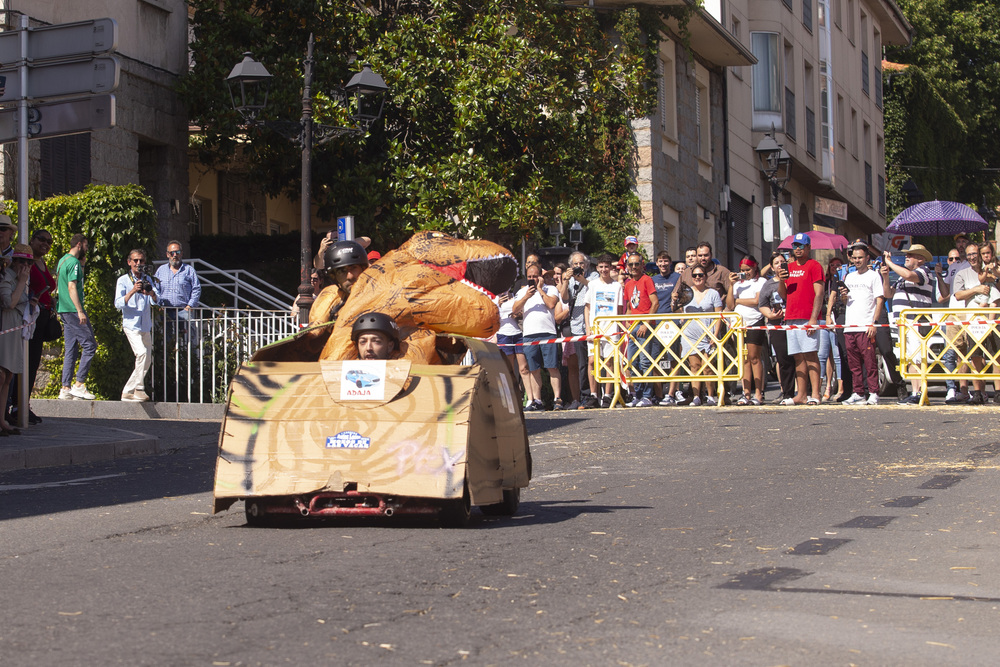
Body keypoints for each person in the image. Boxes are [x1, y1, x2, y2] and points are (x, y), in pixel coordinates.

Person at [882, 244, 939, 404]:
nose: (906, 257)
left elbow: (908, 275)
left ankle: (920, 391)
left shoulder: (924, 271)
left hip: (917, 320)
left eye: (911, 255)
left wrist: (891, 263)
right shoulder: (901, 277)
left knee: (918, 357)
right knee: (911, 357)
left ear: (920, 259)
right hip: (905, 323)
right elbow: (888, 293)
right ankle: (915, 391)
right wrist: (886, 276)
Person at [781, 233, 825, 406]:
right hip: (791, 316)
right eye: (795, 246)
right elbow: (783, 294)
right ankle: (801, 394)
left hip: (808, 317)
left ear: (808, 247)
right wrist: (780, 279)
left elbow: (819, 293)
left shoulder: (814, 265)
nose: (797, 249)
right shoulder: (789, 267)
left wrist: (813, 318)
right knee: (798, 357)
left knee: (811, 355)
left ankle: (815, 394)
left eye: (801, 245)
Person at [512, 262, 562, 411]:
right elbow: (515, 309)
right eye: (529, 277)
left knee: (552, 366)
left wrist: (539, 289)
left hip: (547, 332)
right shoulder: (522, 292)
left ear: (540, 276)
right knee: (533, 369)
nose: (532, 279)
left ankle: (557, 398)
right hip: (529, 334)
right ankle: (536, 400)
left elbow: (552, 304)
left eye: (535, 276)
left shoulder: (550, 288)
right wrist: (526, 296)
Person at [952, 242, 997, 404]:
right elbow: (958, 295)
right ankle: (978, 392)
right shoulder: (962, 274)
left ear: (982, 254)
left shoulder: (992, 269)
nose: (971, 257)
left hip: (993, 320)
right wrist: (976, 290)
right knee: (976, 357)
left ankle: (997, 392)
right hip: (973, 322)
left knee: (996, 357)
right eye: (969, 254)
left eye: (974, 254)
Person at [840, 244, 884, 405]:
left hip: (866, 325)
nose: (857, 260)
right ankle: (858, 392)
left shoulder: (873, 276)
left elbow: (879, 300)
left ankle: (873, 392)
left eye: (860, 257)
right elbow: (845, 301)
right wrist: (843, 296)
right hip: (850, 325)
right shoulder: (849, 277)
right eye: (854, 258)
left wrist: (874, 323)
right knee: (853, 363)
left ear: (867, 258)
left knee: (870, 361)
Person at [115, 249, 160, 402]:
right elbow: (118, 303)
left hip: (145, 324)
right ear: (129, 262)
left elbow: (157, 300)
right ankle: (138, 388)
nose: (138, 264)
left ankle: (129, 391)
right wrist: (133, 290)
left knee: (147, 359)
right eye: (135, 261)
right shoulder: (123, 280)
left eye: (141, 261)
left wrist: (151, 293)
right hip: (131, 324)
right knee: (141, 353)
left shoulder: (148, 279)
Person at [56, 234, 97, 400]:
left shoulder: (63, 260)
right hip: (73, 310)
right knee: (90, 345)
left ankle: (65, 387)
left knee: (71, 348)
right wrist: (80, 310)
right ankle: (79, 384)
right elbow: (72, 286)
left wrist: (83, 266)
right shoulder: (73, 263)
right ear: (79, 245)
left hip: (64, 309)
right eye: (86, 246)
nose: (87, 249)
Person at [0, 245, 33, 434]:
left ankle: (2, 420)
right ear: (14, 261)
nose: (25, 266)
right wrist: (21, 282)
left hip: (14, 328)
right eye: (22, 261)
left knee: (8, 375)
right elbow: (8, 303)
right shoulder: (8, 278)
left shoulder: (22, 279)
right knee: (2, 375)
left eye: (28, 262)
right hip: (5, 326)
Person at [726, 256, 767, 405]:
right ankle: (746, 392)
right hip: (739, 323)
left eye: (748, 270)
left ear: (755, 267)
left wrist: (738, 301)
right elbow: (730, 304)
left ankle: (758, 392)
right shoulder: (737, 284)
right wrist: (731, 285)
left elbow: (756, 301)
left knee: (754, 357)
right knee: (743, 359)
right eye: (742, 270)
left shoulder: (761, 282)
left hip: (755, 321)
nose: (745, 273)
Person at [584, 254, 624, 408]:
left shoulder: (616, 286)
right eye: (601, 267)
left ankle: (607, 394)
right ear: (597, 268)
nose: (604, 269)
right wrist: (588, 328)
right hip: (595, 328)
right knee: (593, 361)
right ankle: (593, 394)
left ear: (610, 268)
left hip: (611, 328)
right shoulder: (593, 285)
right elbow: (587, 308)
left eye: (606, 267)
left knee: (609, 362)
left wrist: (619, 327)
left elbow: (620, 309)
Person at [24, 230, 55, 424]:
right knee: (27, 360)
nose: (46, 244)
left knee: (34, 361)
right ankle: (18, 404)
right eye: (42, 239)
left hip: (43, 316)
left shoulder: (43, 264)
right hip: (30, 316)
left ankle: (24, 403)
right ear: (32, 240)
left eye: (49, 242)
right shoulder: (26, 261)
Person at [681, 265, 723, 405]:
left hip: (707, 333)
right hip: (690, 333)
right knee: (694, 367)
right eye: (695, 275)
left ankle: (710, 396)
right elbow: (679, 312)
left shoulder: (713, 293)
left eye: (700, 275)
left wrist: (715, 334)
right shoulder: (686, 293)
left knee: (708, 367)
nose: (698, 278)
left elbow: (719, 316)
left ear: (705, 277)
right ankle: (696, 396)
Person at [561, 251, 598, 409]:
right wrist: (565, 280)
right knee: (582, 363)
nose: (578, 267)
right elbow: (564, 298)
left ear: (586, 264)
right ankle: (584, 395)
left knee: (594, 361)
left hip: (592, 324)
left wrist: (581, 278)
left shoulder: (594, 275)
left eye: (581, 264)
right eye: (575, 264)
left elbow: (595, 289)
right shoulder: (570, 281)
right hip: (577, 325)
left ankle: (597, 395)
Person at [623, 252, 659, 407]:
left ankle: (647, 396)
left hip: (645, 324)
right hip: (633, 326)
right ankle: (637, 394)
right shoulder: (628, 284)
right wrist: (626, 326)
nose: (633, 267)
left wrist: (646, 323)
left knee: (645, 361)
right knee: (632, 362)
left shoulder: (647, 280)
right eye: (630, 264)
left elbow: (655, 303)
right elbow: (629, 308)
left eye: (636, 264)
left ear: (642, 264)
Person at [758, 253, 793, 403]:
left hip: (794, 323)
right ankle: (786, 392)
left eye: (782, 262)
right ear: (772, 267)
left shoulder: (794, 279)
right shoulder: (768, 284)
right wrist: (770, 316)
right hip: (777, 325)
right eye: (776, 263)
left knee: (798, 358)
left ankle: (804, 391)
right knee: (783, 359)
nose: (780, 265)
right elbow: (762, 304)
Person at [310, 239, 370, 324]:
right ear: (334, 277)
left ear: (364, 269)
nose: (350, 276)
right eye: (342, 271)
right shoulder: (329, 300)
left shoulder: (382, 296)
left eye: (354, 268)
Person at [154, 240, 202, 344]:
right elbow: (155, 289)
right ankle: (168, 359)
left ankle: (190, 359)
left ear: (181, 254)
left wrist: (190, 306)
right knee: (167, 339)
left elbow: (196, 288)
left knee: (188, 340)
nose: (175, 255)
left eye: (177, 252)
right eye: (172, 253)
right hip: (165, 311)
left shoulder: (189, 270)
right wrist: (158, 304)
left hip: (183, 310)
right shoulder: (160, 270)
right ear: (167, 254)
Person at [651, 251, 681, 405]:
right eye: (660, 261)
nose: (663, 264)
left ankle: (671, 393)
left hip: (672, 322)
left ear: (670, 263)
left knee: (673, 359)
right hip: (656, 322)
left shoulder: (677, 277)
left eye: (665, 261)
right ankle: (658, 395)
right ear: (656, 263)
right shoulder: (652, 279)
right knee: (655, 359)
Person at [941, 243, 970, 403]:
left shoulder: (973, 265)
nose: (960, 247)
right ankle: (953, 389)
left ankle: (970, 390)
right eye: (951, 258)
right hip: (953, 312)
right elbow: (945, 293)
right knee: (952, 353)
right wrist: (939, 274)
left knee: (971, 353)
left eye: (963, 244)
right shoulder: (953, 268)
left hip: (968, 311)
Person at [820, 257, 845, 401]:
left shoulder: (841, 282)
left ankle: (841, 388)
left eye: (838, 265)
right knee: (823, 355)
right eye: (832, 265)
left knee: (837, 355)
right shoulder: (825, 282)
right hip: (823, 319)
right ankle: (825, 387)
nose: (835, 267)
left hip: (837, 319)